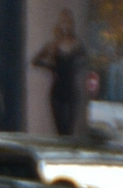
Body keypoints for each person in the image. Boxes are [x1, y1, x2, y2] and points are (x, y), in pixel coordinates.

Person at [33, 10, 89, 139]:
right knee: (60, 129)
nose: (65, 26)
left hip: (72, 91)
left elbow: (85, 60)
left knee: (69, 128)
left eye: (68, 22)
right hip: (57, 90)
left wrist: (75, 67)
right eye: (63, 22)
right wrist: (51, 67)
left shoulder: (77, 45)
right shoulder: (53, 46)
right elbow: (35, 61)